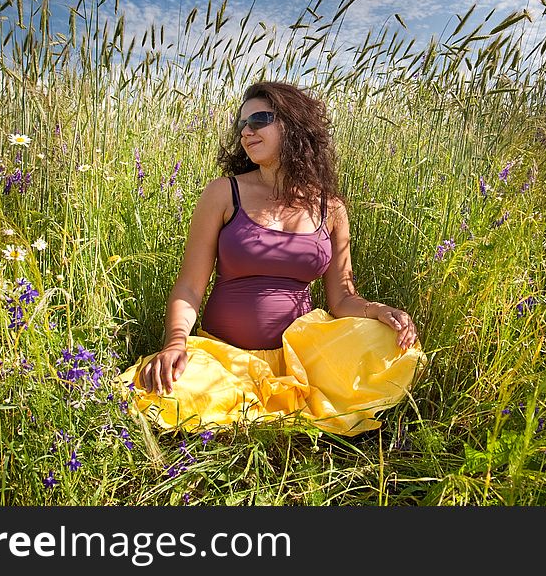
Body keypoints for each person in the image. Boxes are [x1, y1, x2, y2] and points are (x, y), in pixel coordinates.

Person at [119, 81, 425, 436]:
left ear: (293, 125)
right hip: (224, 358)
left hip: (301, 359)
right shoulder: (224, 193)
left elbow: (341, 296)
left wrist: (378, 311)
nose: (246, 132)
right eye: (241, 125)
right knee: (156, 389)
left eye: (259, 120)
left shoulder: (332, 208)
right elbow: (189, 286)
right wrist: (175, 343)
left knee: (389, 342)